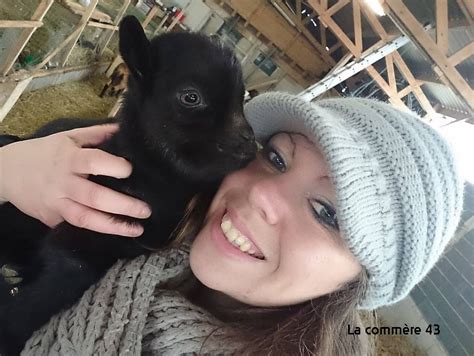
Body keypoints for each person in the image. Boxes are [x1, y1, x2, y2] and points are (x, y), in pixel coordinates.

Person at [0, 92, 464, 355]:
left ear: (356, 282)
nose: (261, 191)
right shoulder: (149, 222)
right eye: (277, 157)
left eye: (327, 212)